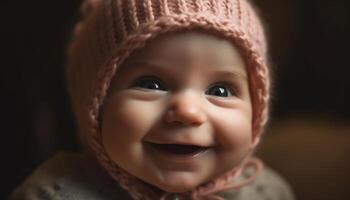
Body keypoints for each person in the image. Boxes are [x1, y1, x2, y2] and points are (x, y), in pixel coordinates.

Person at [9, 0, 295, 199]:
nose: (188, 111)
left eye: (220, 91)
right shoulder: (53, 194)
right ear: (95, 102)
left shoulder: (266, 192)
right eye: (151, 84)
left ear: (257, 109)